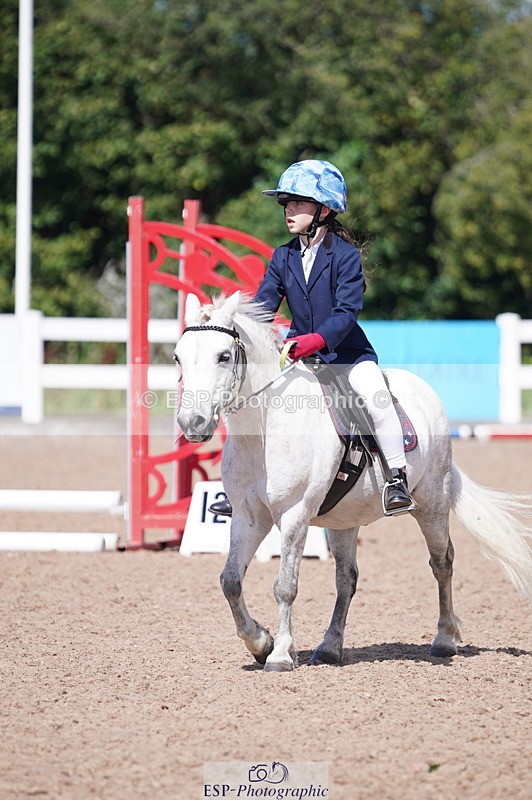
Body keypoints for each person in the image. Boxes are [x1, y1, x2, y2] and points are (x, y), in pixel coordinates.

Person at [209, 159, 414, 518]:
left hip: (347, 355)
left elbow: (346, 314)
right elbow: (263, 308)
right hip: (299, 358)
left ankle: (396, 478)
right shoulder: (283, 256)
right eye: (286, 203)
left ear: (324, 209)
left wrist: (313, 341)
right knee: (250, 399)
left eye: (298, 203)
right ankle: (240, 483)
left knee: (375, 398)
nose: (289, 210)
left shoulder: (346, 257)